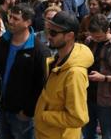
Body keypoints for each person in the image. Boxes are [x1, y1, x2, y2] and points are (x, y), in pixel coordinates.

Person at [0, 3, 50, 139]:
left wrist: (27, 112)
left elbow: (41, 85)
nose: (10, 21)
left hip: (21, 115)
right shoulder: (4, 41)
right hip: (1, 108)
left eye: (16, 18)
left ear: (28, 22)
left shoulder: (39, 51)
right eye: (10, 17)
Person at [34, 11, 94, 139]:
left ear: (69, 36)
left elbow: (78, 118)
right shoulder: (57, 60)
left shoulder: (75, 74)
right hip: (46, 133)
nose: (49, 36)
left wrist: (44, 116)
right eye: (49, 30)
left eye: (54, 33)